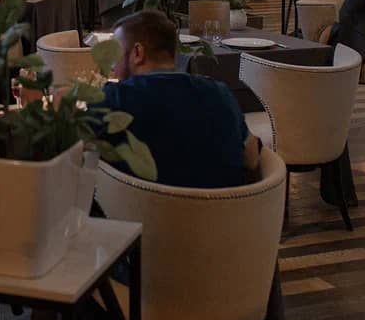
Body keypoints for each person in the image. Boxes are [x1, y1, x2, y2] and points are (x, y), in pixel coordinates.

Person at [99, 10, 262, 189]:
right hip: (228, 206)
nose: (113, 66)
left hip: (140, 205)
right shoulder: (220, 93)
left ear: (138, 52)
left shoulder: (116, 98)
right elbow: (252, 158)